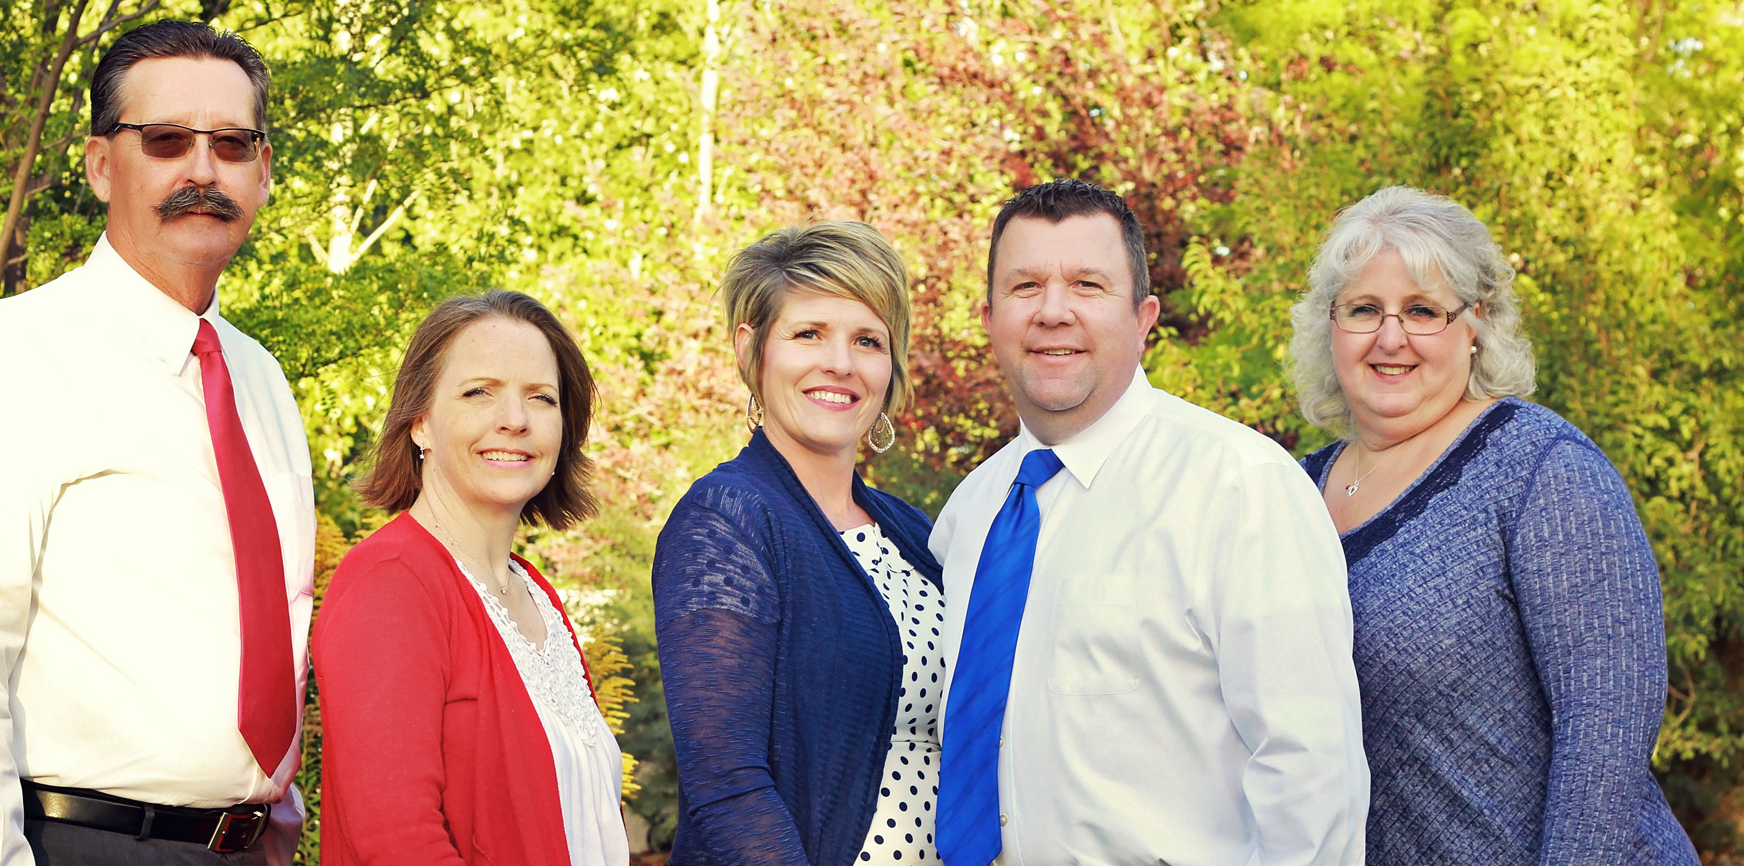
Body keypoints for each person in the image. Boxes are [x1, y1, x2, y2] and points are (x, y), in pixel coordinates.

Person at [0, 21, 310, 864]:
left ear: (263, 171)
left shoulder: (262, 380)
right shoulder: (4, 356)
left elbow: (268, 627)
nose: (203, 170)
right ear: (99, 164)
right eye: (166, 140)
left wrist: (272, 820)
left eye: (232, 144)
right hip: (84, 844)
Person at [931, 178, 1369, 866]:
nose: (1053, 311)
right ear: (988, 317)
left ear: (1143, 318)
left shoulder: (1238, 487)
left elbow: (1311, 775)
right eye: (1025, 287)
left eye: (1088, 285)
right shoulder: (969, 513)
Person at [1287, 185, 1700, 864]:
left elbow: (1606, 731)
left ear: (1475, 325)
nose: (1390, 337)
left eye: (1422, 311)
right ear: (1330, 326)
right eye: (1363, 309)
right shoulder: (1291, 494)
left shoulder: (1539, 467)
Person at [654, 221, 945, 865]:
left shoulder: (914, 533)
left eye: (867, 340)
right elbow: (727, 786)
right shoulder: (727, 520)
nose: (840, 363)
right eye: (808, 333)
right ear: (750, 349)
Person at [311, 290, 626, 866]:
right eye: (479, 392)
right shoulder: (391, 584)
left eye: (542, 397)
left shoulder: (535, 594)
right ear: (420, 423)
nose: (516, 419)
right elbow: (396, 842)